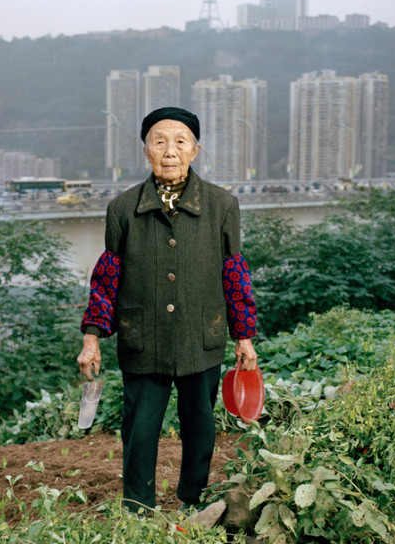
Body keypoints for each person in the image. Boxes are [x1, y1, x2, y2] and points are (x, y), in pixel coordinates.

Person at [76, 106, 258, 513]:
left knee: (200, 428)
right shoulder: (122, 209)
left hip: (201, 337)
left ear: (195, 150)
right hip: (144, 340)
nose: (170, 150)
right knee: (139, 431)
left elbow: (234, 274)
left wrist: (243, 336)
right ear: (147, 152)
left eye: (180, 142)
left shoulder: (222, 205)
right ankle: (137, 510)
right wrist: (92, 339)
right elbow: (107, 279)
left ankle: (192, 503)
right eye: (159, 142)